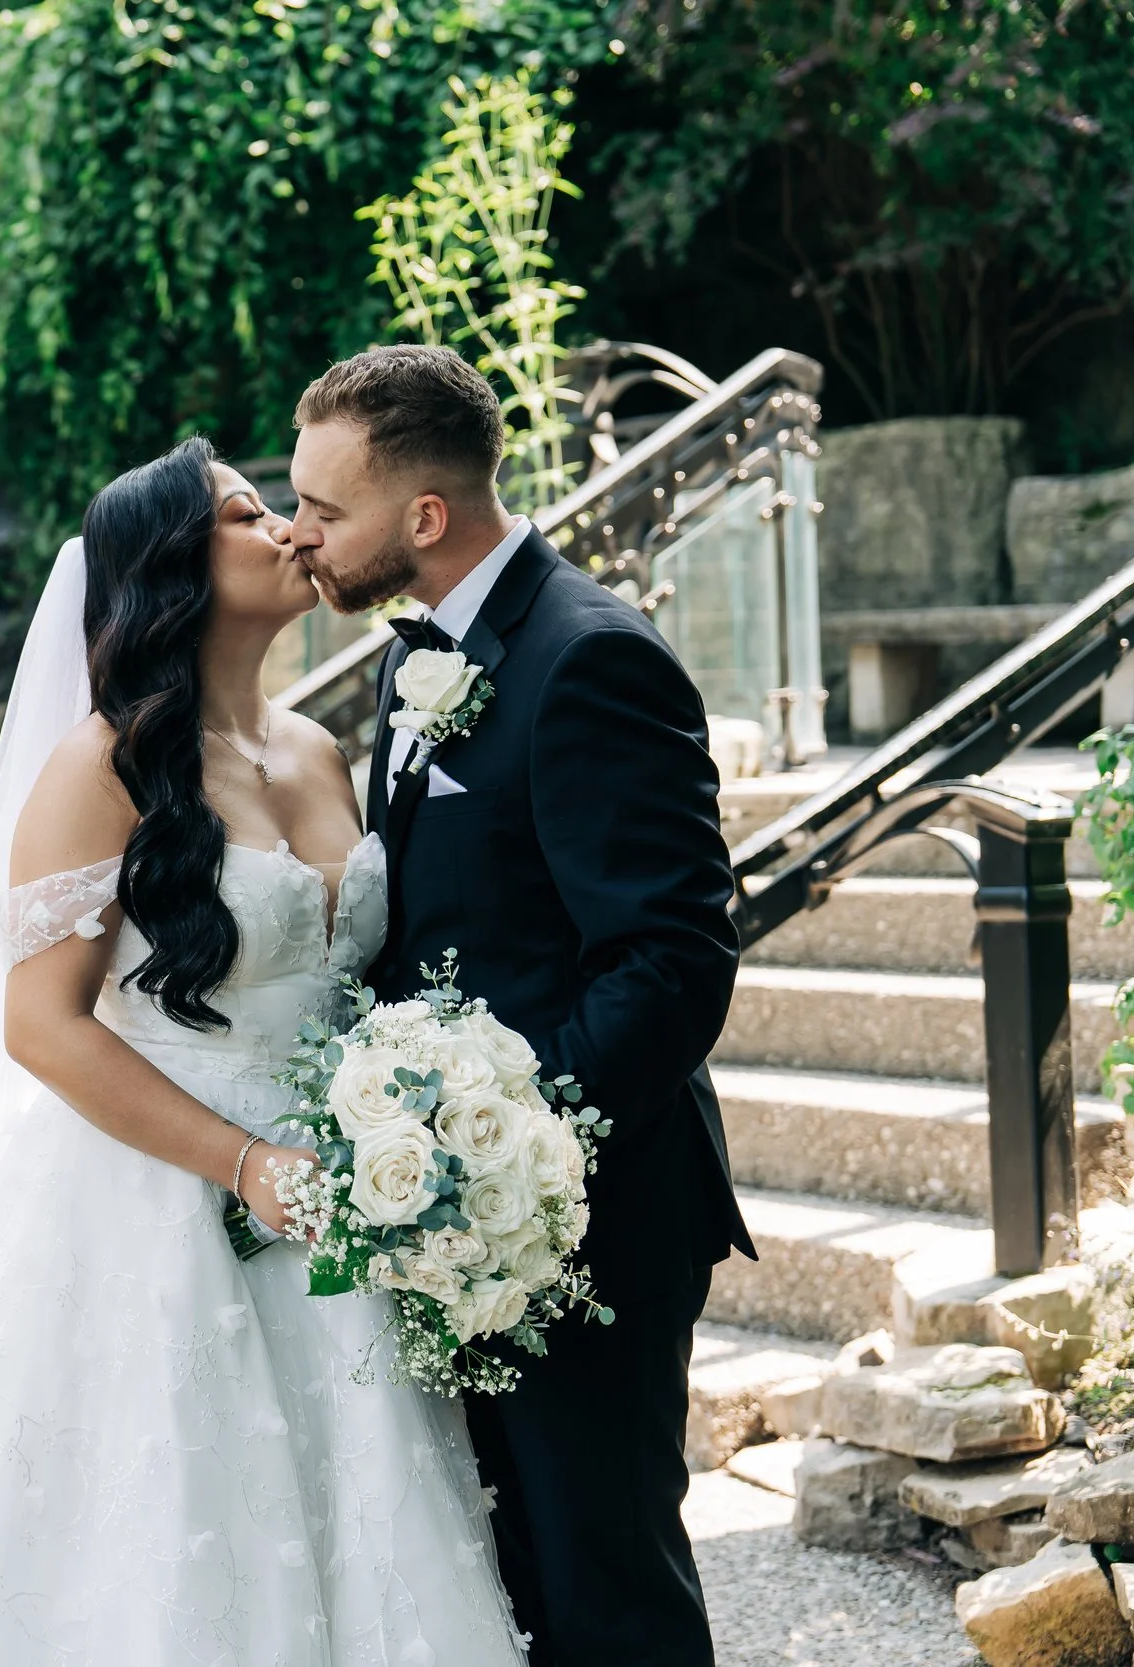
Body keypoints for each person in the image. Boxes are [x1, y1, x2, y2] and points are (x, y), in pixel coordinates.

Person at [0, 435, 527, 1665]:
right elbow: (38, 1024)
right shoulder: (99, 763)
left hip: (338, 1208)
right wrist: (243, 1162)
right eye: (250, 512)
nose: (291, 532)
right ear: (170, 567)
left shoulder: (321, 750)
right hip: (154, 1198)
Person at [289, 344, 750, 1666]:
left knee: (609, 1590)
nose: (302, 534)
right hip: (463, 1221)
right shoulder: (413, 657)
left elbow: (671, 962)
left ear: (422, 518)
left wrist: (508, 1160)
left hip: (586, 1221)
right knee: (518, 1584)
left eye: (327, 510)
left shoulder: (591, 656)